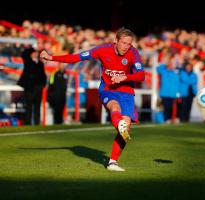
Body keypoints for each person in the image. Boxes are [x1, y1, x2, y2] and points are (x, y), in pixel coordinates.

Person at [40, 28, 145, 172]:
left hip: (126, 92)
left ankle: (112, 162)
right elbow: (77, 57)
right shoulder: (102, 50)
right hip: (108, 89)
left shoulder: (133, 52)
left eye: (129, 44)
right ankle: (119, 123)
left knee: (125, 130)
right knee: (114, 107)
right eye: (124, 43)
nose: (126, 47)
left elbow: (141, 75)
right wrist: (52, 58)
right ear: (116, 40)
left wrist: (125, 77)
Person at [18, 45, 47, 125]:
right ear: (31, 54)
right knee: (29, 106)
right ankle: (28, 123)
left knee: (37, 106)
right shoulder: (28, 61)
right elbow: (24, 54)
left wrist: (43, 85)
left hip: (38, 88)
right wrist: (33, 48)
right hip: (29, 88)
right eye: (33, 52)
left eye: (36, 52)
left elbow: (43, 75)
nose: (35, 54)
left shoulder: (40, 64)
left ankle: (37, 123)